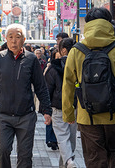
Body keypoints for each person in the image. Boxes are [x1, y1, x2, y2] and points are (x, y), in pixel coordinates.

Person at [62, 7, 115, 167]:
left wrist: (68, 114)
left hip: (87, 116)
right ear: (108, 23)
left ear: (88, 24)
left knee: (94, 159)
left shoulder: (76, 51)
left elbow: (68, 85)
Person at [0, 23, 52, 168]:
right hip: (3, 115)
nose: (14, 41)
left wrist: (47, 110)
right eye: (11, 37)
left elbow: (41, 87)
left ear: (24, 39)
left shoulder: (31, 59)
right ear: (6, 39)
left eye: (18, 37)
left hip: (26, 115)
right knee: (2, 150)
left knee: (25, 155)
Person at [45, 37, 78, 168]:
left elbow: (47, 90)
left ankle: (69, 161)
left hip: (58, 107)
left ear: (63, 50)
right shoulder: (78, 65)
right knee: (71, 139)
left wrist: (45, 110)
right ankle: (67, 163)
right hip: (74, 106)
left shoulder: (53, 67)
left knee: (63, 137)